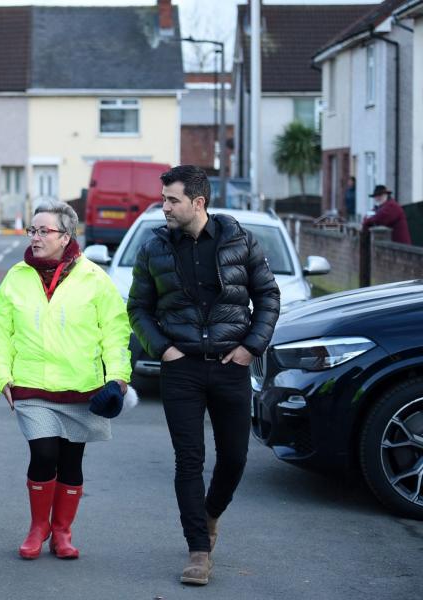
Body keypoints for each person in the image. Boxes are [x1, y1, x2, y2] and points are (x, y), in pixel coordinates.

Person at [127, 165, 280, 585]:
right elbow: (137, 306)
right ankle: (198, 550)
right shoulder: (153, 246)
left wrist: (251, 347)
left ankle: (210, 514)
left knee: (234, 457)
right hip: (182, 369)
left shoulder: (241, 241)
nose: (164, 207)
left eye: (172, 200)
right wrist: (164, 349)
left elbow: (268, 295)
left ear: (198, 202)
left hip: (232, 366)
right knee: (188, 460)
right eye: (163, 199)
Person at [0, 201, 132, 560]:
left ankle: (62, 533)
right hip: (31, 385)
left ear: (65, 236)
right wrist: (1, 375)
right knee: (43, 453)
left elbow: (115, 330)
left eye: (43, 231)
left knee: (71, 462)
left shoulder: (94, 278)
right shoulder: (17, 277)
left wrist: (117, 377)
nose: (35, 237)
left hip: (81, 387)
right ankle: (38, 528)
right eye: (32, 231)